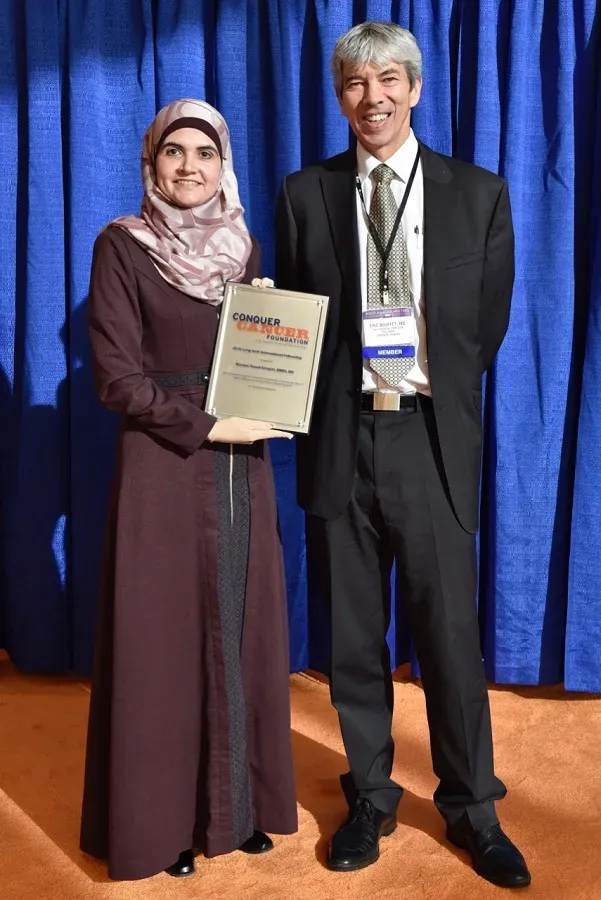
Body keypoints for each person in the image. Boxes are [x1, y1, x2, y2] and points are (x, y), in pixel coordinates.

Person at [275, 22, 530, 889]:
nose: (372, 97)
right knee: (352, 639)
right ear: (339, 95)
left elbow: (480, 331)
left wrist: (419, 372)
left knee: (449, 639)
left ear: (415, 89)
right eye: (354, 83)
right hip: (341, 438)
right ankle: (372, 797)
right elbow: (298, 323)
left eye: (389, 80)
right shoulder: (304, 192)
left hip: (426, 438)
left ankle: (472, 810)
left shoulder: (476, 193)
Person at [80, 98, 297, 881]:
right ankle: (165, 826)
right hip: (164, 467)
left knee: (242, 629)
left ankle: (237, 815)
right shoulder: (122, 246)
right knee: (164, 645)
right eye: (174, 152)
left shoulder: (245, 251)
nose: (189, 167)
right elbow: (116, 381)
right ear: (152, 162)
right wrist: (211, 427)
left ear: (222, 164)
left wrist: (266, 331)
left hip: (244, 472)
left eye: (204, 153)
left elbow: (261, 361)